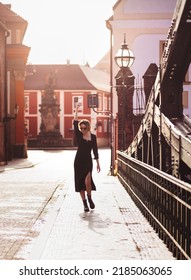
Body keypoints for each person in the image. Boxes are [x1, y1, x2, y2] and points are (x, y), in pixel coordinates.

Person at [73, 103, 100, 212]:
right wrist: (76, 109)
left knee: (88, 181)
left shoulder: (93, 137)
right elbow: (75, 122)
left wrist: (98, 163)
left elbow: (95, 150)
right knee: (80, 183)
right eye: (81, 128)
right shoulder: (79, 135)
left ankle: (89, 198)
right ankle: (84, 203)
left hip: (88, 161)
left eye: (84, 128)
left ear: (88, 127)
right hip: (78, 161)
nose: (82, 129)